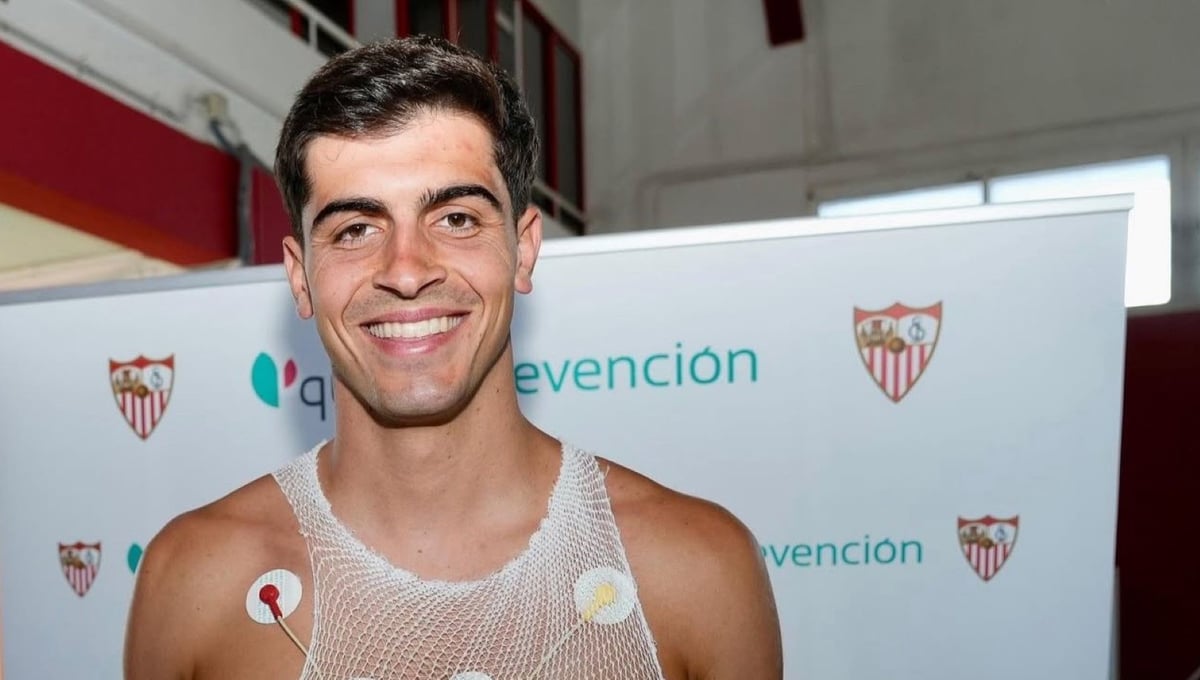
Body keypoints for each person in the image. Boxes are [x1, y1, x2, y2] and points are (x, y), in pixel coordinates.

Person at [124, 35, 782, 679]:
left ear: (523, 249)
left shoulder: (696, 570)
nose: (407, 271)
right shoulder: (194, 579)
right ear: (301, 277)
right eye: (356, 229)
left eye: (457, 219)